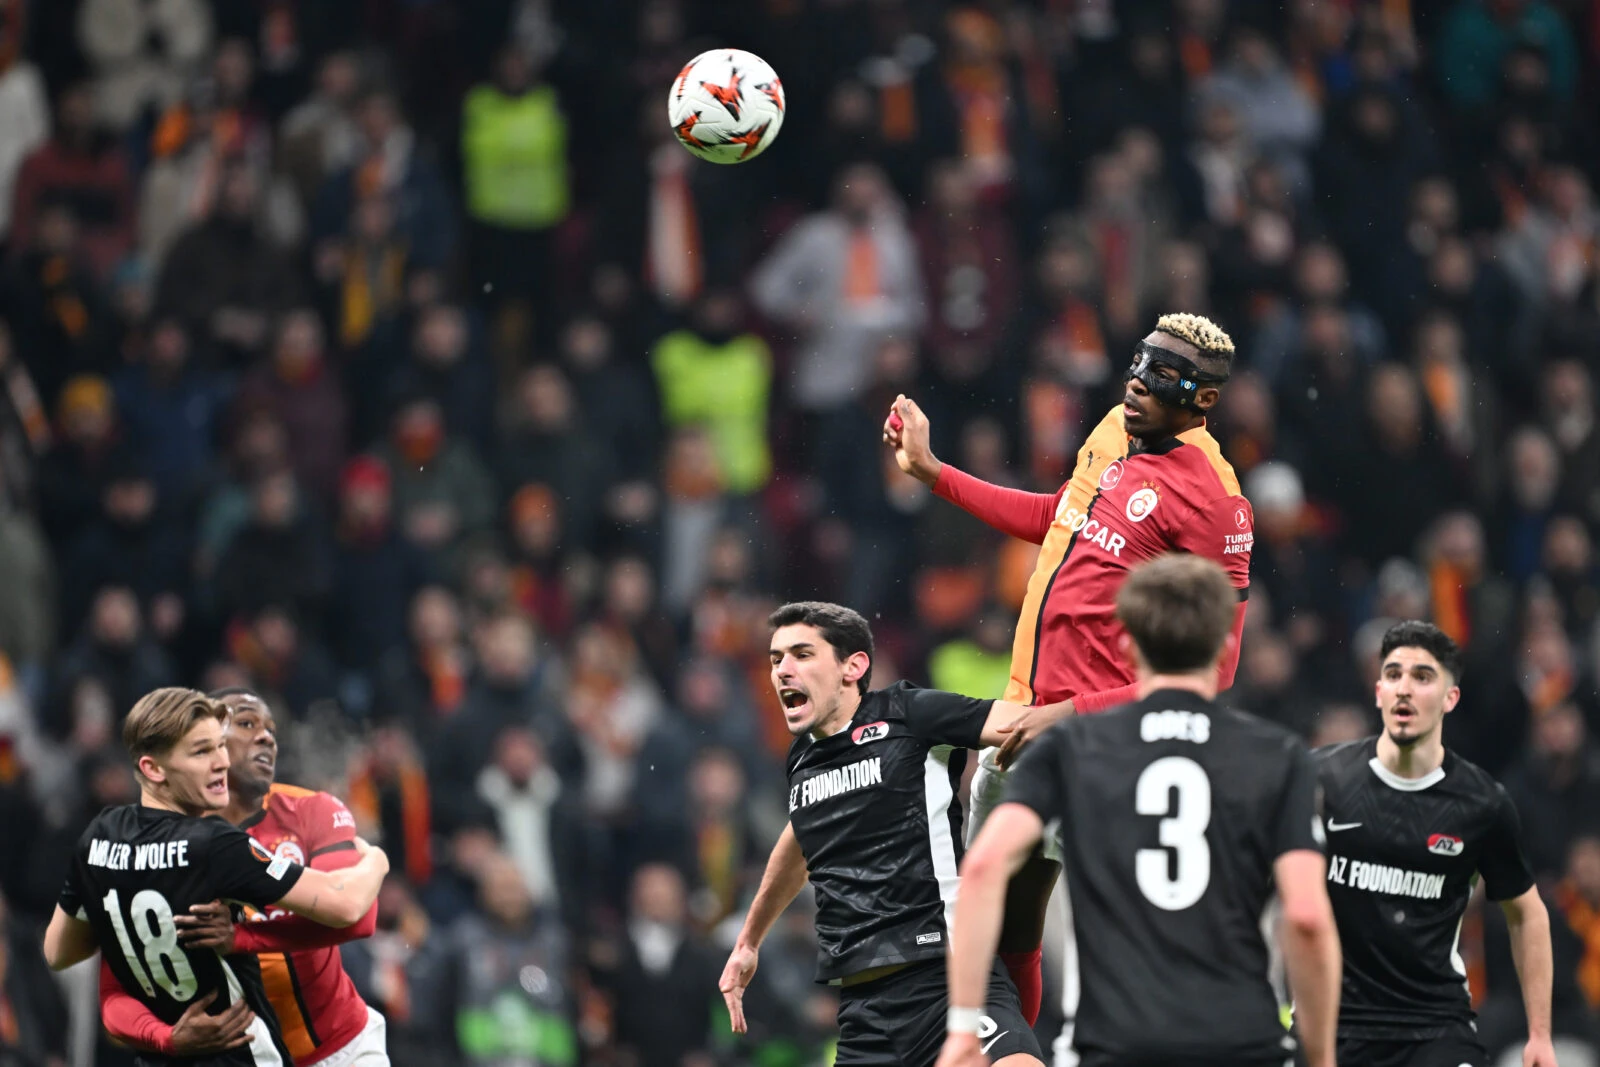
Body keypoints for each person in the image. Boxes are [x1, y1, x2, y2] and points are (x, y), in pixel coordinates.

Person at [884, 311, 1255, 1021]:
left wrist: (1069, 712)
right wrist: (935, 475)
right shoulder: (1114, 428)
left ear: (1203, 400)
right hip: (1023, 721)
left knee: (1131, 948)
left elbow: (1218, 671)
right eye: (1139, 361)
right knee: (1002, 932)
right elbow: (1060, 515)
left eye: (1161, 376)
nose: (1138, 383)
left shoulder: (1218, 499)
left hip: (1108, 748)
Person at [937, 554, 1341, 1067]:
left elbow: (985, 867)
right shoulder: (1277, 756)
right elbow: (1306, 917)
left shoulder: (1072, 747)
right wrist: (1322, 1056)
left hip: (1112, 1042)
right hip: (1241, 1041)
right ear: (1225, 645)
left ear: (1126, 642)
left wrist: (963, 1029)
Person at [719, 601, 1052, 1067]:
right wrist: (748, 941)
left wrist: (1126, 709)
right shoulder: (801, 761)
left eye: (801, 654)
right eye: (775, 660)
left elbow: (1024, 725)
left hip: (949, 979)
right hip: (865, 1013)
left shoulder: (909, 713)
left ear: (852, 666)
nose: (782, 671)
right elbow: (799, 841)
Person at [40, 687, 389, 1066]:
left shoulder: (104, 833)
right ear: (153, 768)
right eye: (206, 748)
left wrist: (239, 937)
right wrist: (378, 861)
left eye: (270, 728)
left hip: (338, 1042)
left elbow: (60, 953)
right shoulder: (212, 845)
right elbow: (351, 905)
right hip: (244, 1054)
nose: (264, 737)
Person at [1315, 621, 1558, 1067]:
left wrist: (1540, 1034)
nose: (1404, 689)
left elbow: (1526, 914)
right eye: (1393, 675)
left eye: (1422, 677)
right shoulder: (1322, 782)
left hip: (1434, 1028)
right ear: (1377, 692)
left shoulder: (1482, 803)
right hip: (1335, 1023)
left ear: (1451, 698)